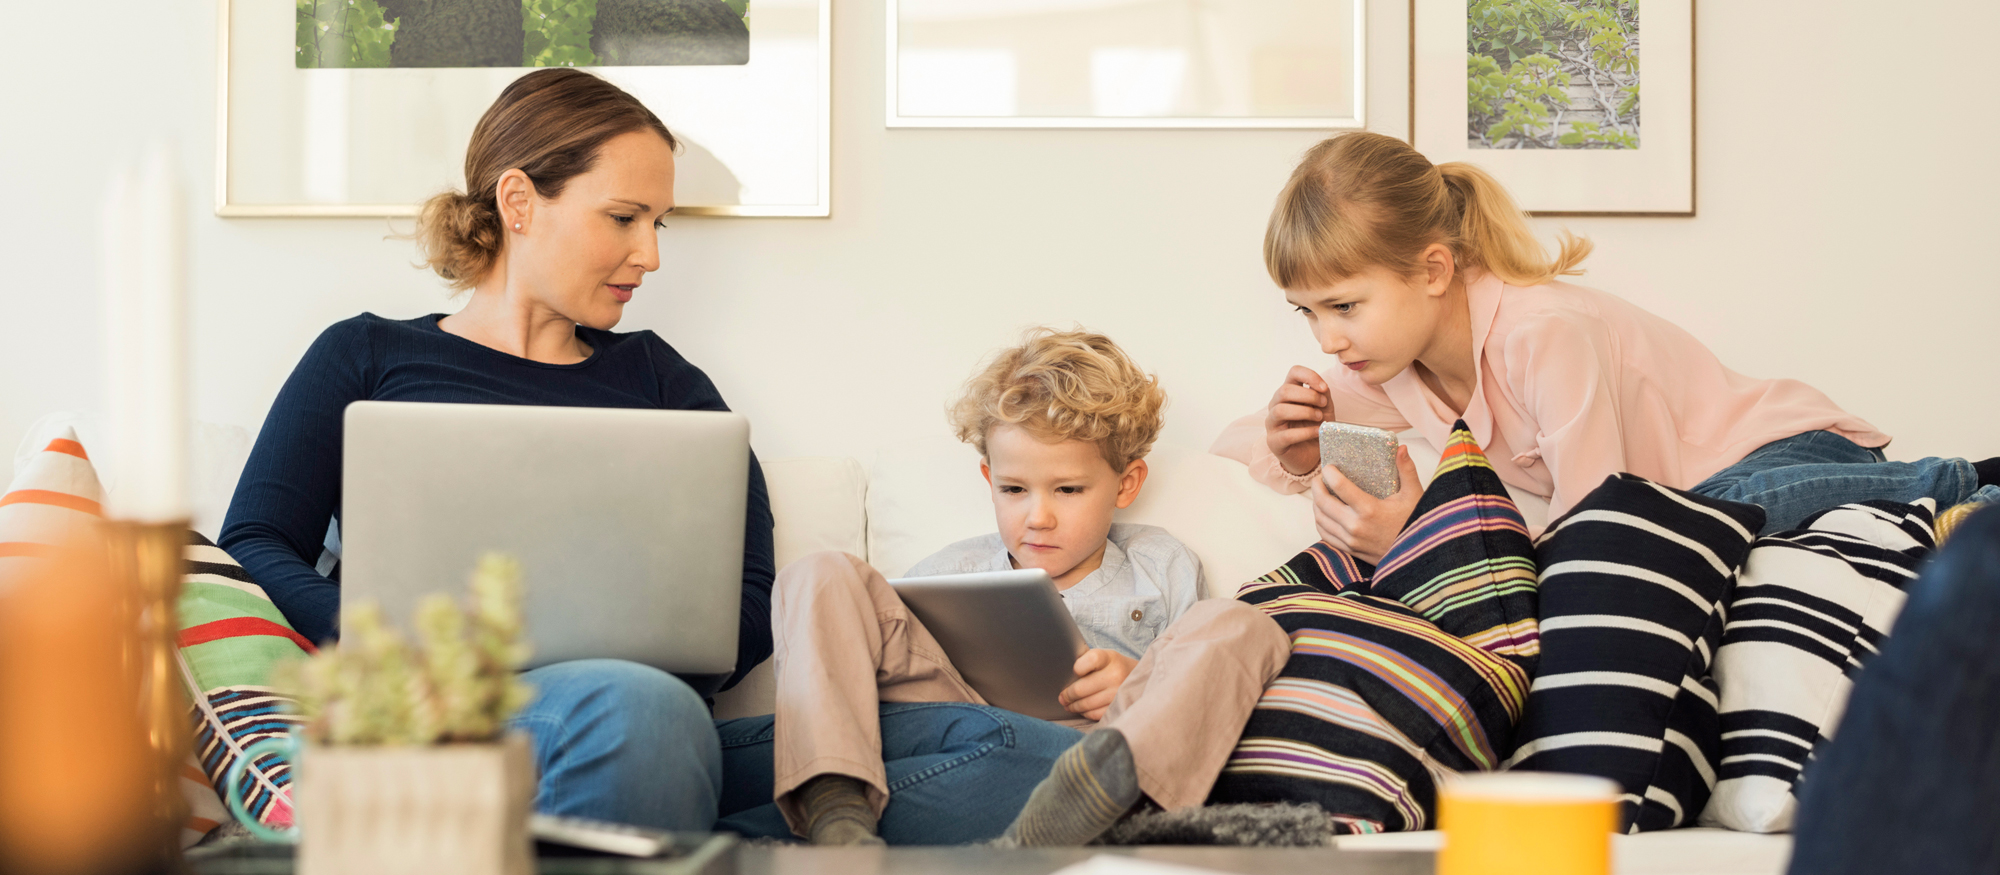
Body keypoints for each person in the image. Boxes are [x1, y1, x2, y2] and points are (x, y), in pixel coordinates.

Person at [218, 68, 774, 830]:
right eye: (624, 217)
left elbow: (749, 592)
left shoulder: (665, 381)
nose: (649, 254)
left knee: (984, 746)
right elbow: (255, 540)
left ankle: (639, 809)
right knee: (639, 714)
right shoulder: (365, 355)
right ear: (519, 202)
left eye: (659, 223)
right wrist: (393, 655)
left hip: (647, 713)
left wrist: (648, 662)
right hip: (446, 724)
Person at [1214, 132, 2000, 561]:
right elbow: (1236, 439)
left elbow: (1597, 521)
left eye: (1344, 305)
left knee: (1685, 526)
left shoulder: (1542, 332)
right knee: (1682, 531)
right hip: (1698, 488)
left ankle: (1958, 482)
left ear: (1433, 269)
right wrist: (1296, 450)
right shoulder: (1382, 366)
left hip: (1778, 450)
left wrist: (1422, 535)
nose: (1328, 338)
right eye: (1306, 313)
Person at [709, 330, 1291, 846]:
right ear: (989, 478)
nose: (1037, 517)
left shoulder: (1160, 562)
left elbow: (1194, 680)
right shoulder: (948, 569)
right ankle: (832, 798)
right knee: (818, 572)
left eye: (1067, 490)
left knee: (1243, 623)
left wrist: (1136, 679)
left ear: (1126, 483)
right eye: (1014, 490)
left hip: (1096, 749)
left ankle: (1105, 803)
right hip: (955, 717)